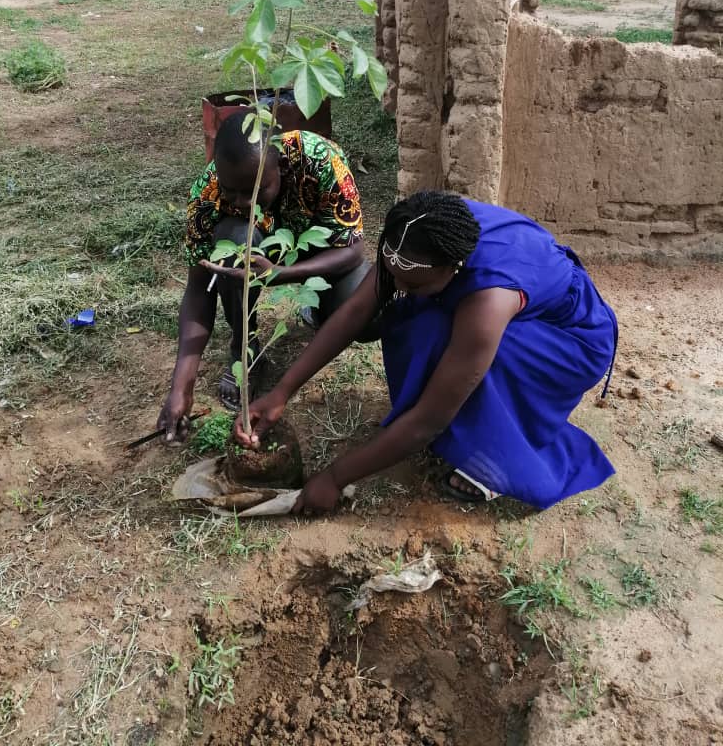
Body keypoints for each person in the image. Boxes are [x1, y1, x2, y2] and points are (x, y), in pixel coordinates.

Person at [241, 190, 619, 514]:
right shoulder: (413, 233)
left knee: (456, 349)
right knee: (416, 318)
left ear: (454, 269)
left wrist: (335, 478)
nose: (397, 285)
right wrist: (282, 392)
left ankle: (490, 460)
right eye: (393, 273)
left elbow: (428, 421)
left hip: (568, 341)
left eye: (413, 282)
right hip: (498, 312)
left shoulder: (488, 299)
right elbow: (358, 310)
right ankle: (463, 417)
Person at [157, 110, 369, 441]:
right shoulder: (207, 191)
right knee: (232, 244)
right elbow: (199, 287)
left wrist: (280, 274)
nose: (244, 203)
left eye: (255, 190)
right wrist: (181, 387)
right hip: (255, 251)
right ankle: (247, 348)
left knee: (365, 310)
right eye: (232, 191)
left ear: (281, 168)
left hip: (319, 251)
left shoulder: (320, 158)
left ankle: (318, 308)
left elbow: (353, 250)